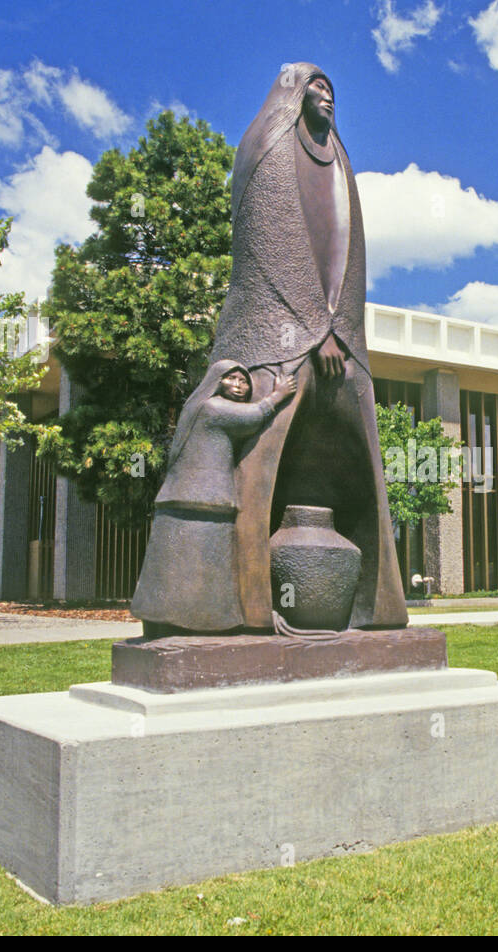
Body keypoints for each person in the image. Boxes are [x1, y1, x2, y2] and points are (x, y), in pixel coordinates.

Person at [202, 62, 407, 631]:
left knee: (362, 465)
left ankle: (376, 612)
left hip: (343, 337)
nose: (327, 97)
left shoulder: (341, 162)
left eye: (333, 90)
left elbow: (352, 258)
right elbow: (272, 243)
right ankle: (240, 613)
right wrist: (313, 329)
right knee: (257, 469)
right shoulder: (266, 145)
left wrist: (339, 330)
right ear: (294, 93)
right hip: (275, 333)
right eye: (316, 87)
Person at [132, 362, 296, 636]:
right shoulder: (212, 407)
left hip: (195, 501)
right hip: (201, 502)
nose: (239, 385)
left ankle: (183, 622)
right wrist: (278, 394)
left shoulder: (200, 408)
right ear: (216, 381)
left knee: (187, 570)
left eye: (244, 381)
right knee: (195, 568)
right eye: (231, 378)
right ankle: (195, 623)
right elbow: (254, 415)